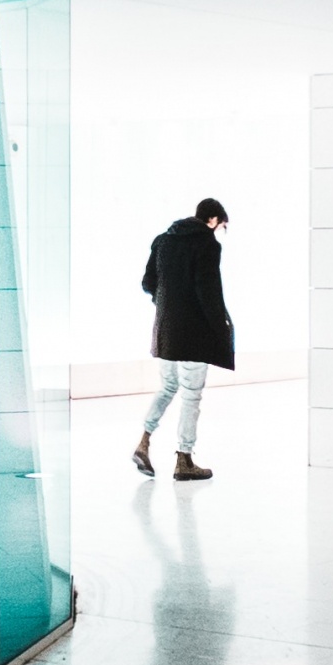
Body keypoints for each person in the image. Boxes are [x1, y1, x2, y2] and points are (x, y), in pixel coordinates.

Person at [133, 198, 234, 480]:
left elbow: (147, 283)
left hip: (166, 331)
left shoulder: (163, 240)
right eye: (221, 226)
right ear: (213, 220)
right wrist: (221, 327)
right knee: (191, 395)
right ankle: (185, 459)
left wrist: (167, 305)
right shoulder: (208, 244)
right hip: (194, 333)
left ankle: (144, 441)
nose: (219, 232)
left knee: (167, 387)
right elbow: (208, 291)